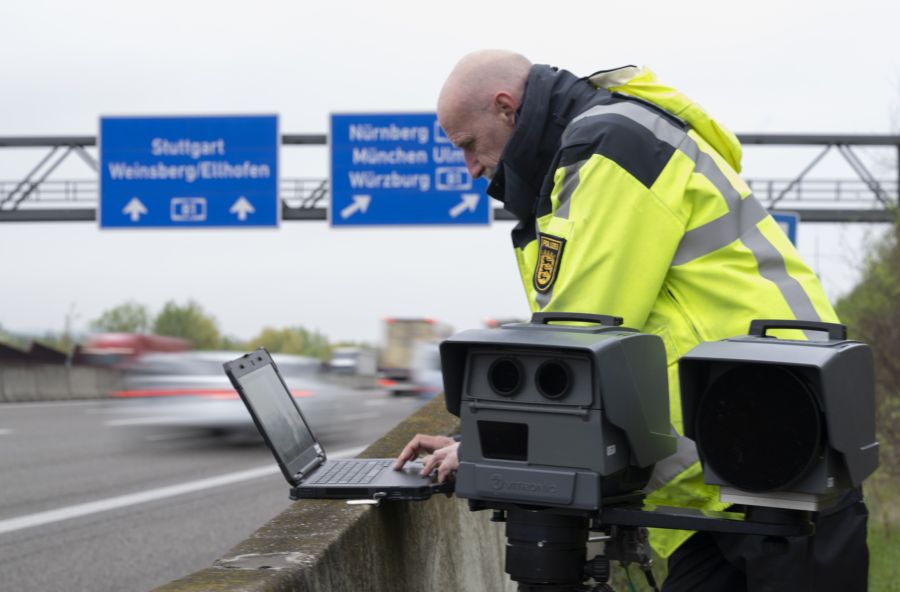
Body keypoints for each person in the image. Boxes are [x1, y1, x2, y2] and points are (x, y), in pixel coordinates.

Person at [393, 49, 869, 591]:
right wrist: (474, 435)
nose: (470, 168)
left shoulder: (611, 149)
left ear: (505, 107)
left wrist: (482, 447)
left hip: (779, 457)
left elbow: (580, 337)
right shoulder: (577, 168)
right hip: (736, 470)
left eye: (469, 146)